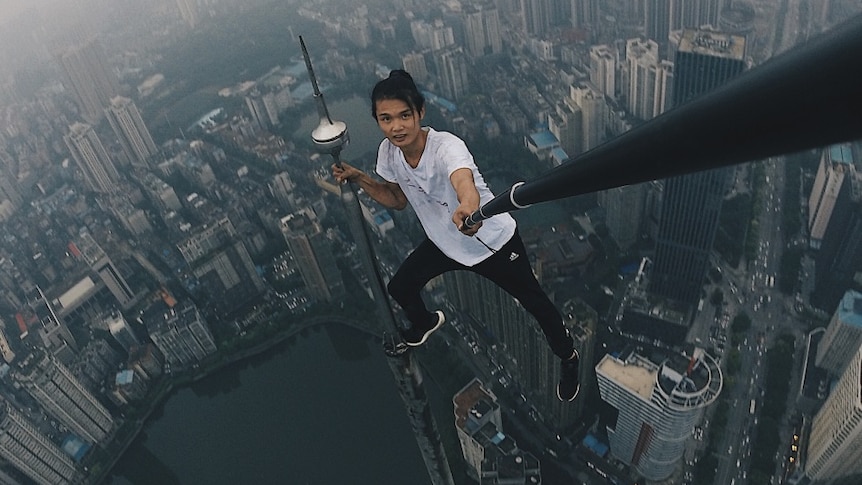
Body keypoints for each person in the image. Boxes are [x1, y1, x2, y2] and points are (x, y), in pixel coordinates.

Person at [332, 70, 580, 402]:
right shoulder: (388, 154)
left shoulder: (447, 146)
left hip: (489, 242)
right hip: (444, 243)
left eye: (404, 116)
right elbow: (397, 200)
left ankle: (568, 357)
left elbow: (463, 181)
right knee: (400, 287)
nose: (396, 127)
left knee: (536, 304)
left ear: (420, 112)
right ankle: (426, 322)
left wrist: (468, 207)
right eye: (386, 119)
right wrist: (361, 178)